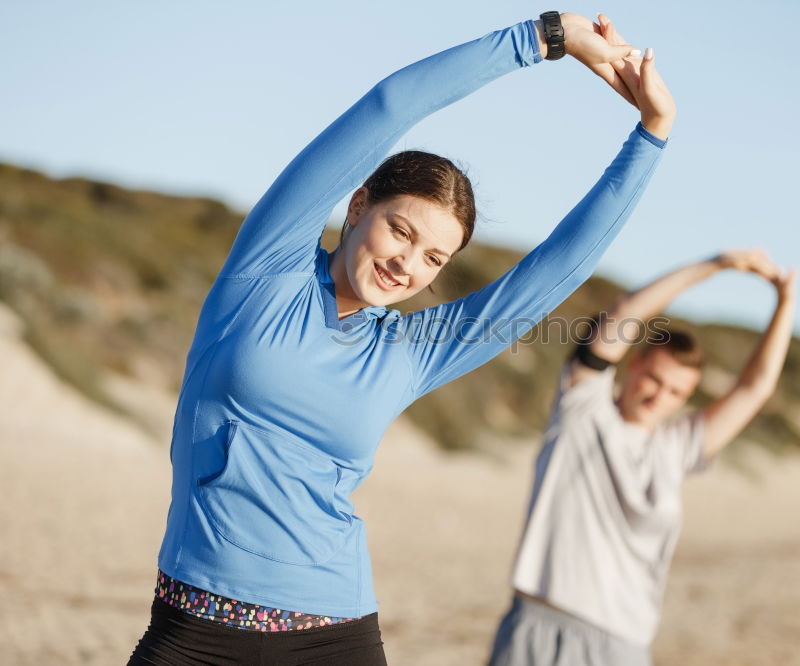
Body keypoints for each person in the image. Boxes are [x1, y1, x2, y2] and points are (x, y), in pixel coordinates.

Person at [128, 10, 677, 666]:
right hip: (195, 627)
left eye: (434, 259)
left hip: (334, 633)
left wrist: (651, 135)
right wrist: (544, 39)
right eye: (401, 231)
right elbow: (387, 109)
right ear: (357, 206)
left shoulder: (410, 353)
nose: (406, 265)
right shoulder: (267, 268)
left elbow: (551, 273)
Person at [488, 249, 798, 666]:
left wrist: (785, 302)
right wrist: (715, 266)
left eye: (677, 393)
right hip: (539, 628)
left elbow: (754, 389)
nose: (659, 397)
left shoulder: (678, 447)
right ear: (633, 365)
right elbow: (626, 313)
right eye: (654, 379)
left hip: (623, 644)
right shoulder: (583, 407)